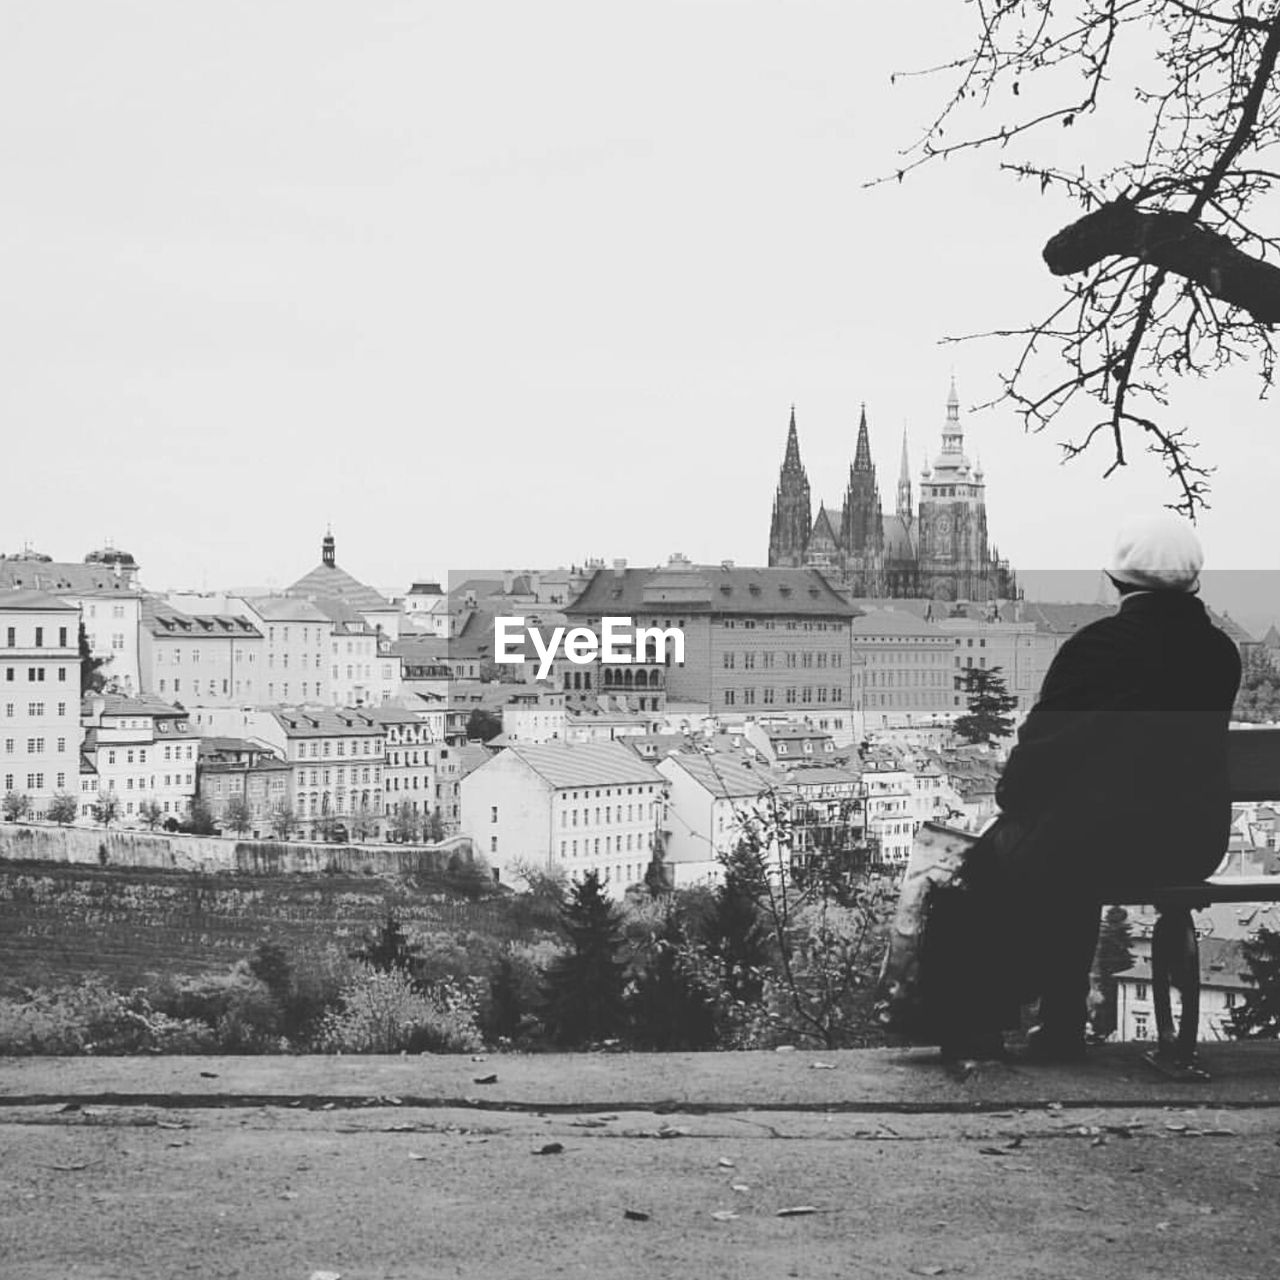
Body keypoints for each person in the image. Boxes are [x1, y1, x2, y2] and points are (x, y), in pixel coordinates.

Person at [930, 512, 1242, 1061]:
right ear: (1194, 582)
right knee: (1067, 851)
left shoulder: (1095, 647)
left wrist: (1014, 803)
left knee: (993, 863)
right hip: (1194, 842)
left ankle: (998, 1023)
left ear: (1116, 581)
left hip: (1096, 840)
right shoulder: (1219, 652)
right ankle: (1057, 1026)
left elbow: (1047, 742)